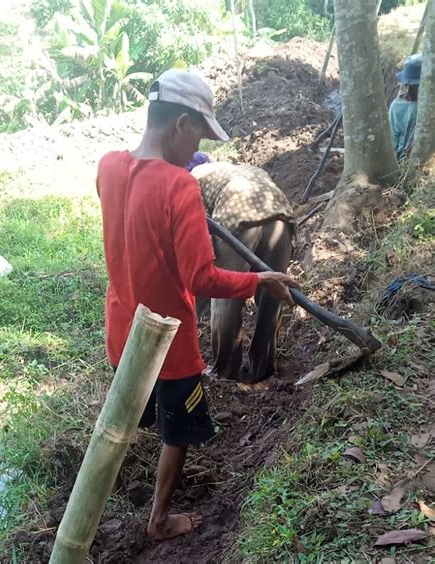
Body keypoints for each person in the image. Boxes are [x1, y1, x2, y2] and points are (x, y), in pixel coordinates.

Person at [96, 69, 299, 541]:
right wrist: (259, 279)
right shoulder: (179, 186)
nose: (199, 147)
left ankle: (101, 494)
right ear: (181, 124)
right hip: (168, 339)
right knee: (179, 431)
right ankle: (160, 518)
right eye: (201, 134)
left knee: (128, 417)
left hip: (123, 327)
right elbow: (201, 277)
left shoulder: (107, 166)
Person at [189, 159, 296, 382]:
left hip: (238, 216)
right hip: (281, 216)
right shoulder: (242, 169)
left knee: (226, 296)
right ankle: (263, 366)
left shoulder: (193, 178)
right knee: (272, 297)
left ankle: (224, 373)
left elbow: (200, 238)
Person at [389, 53, 422, 161]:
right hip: (402, 161)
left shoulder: (428, 109)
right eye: (409, 85)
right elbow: (392, 138)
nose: (410, 89)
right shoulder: (398, 106)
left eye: (415, 86)